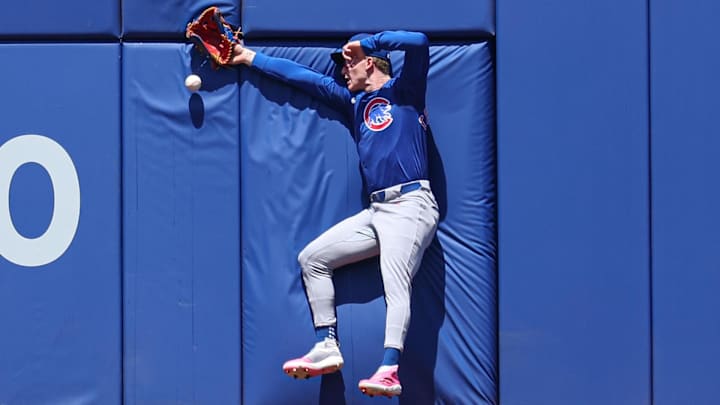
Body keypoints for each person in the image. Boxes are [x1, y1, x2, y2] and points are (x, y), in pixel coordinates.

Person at [230, 30, 439, 398]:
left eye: (347, 63)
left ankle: (389, 368)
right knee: (312, 258)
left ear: (369, 62)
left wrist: (371, 42)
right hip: (378, 209)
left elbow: (419, 42)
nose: (343, 71)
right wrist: (247, 57)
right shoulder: (353, 102)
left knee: (396, 283)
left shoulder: (405, 92)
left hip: (411, 204)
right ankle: (326, 345)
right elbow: (302, 78)